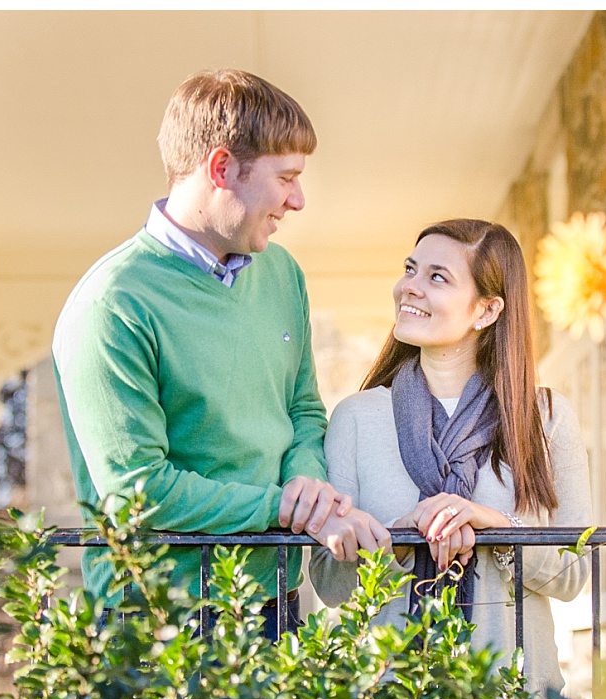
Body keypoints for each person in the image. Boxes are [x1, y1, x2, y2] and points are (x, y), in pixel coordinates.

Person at [52, 68, 390, 639]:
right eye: (286, 177)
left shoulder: (282, 275)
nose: (299, 199)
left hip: (275, 604)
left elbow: (303, 412)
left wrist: (306, 484)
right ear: (222, 168)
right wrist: (282, 508)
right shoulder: (112, 305)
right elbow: (138, 492)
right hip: (159, 618)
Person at [309, 218, 592, 696]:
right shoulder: (356, 418)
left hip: (515, 694)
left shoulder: (545, 418)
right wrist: (397, 542)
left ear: (487, 310)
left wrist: (494, 526)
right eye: (410, 269)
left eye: (436, 277)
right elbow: (328, 584)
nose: (408, 288)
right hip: (390, 694)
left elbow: (575, 574)